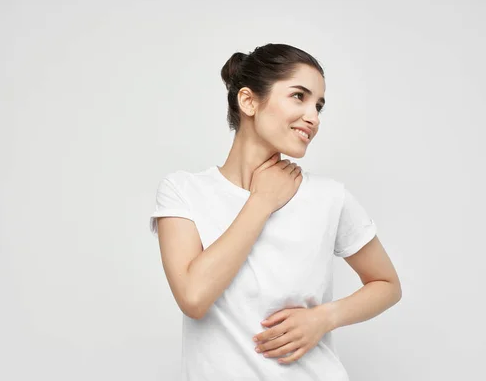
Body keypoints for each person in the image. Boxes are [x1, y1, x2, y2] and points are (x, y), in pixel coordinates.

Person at [148, 43, 402, 381]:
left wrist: (324, 318)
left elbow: (387, 284)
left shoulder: (328, 197)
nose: (313, 116)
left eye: (319, 105)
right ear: (249, 101)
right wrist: (261, 202)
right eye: (299, 96)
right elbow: (194, 297)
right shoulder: (184, 192)